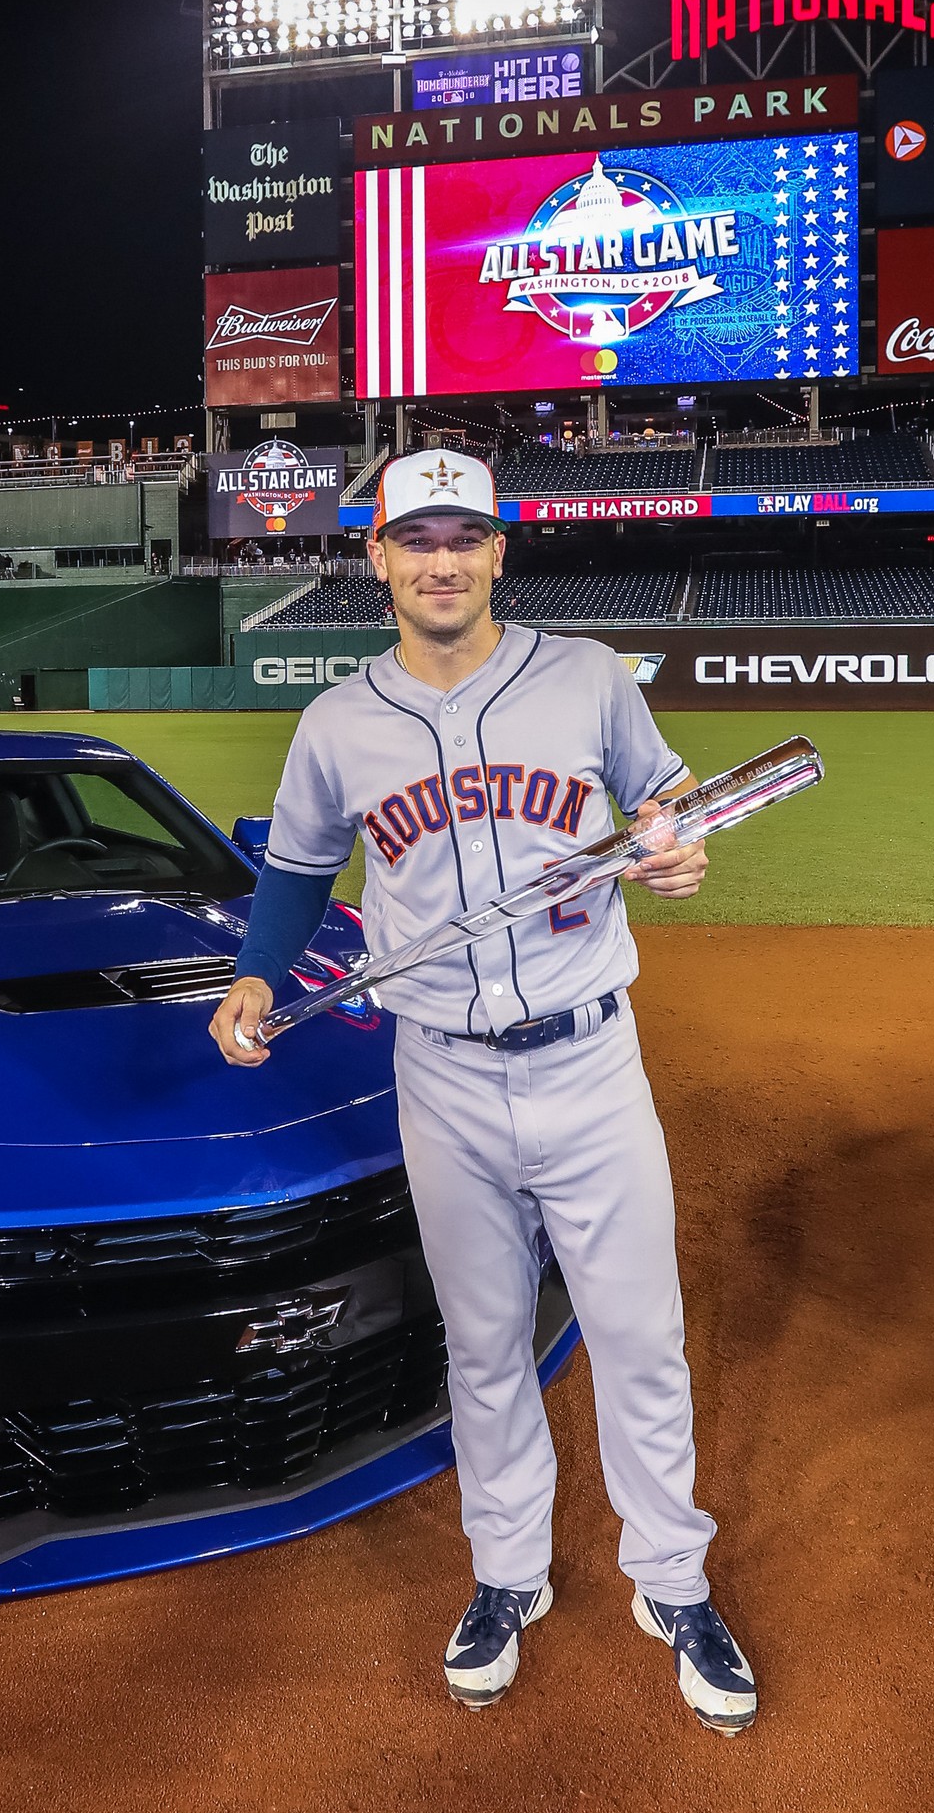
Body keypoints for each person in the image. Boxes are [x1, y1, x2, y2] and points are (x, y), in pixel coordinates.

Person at [207, 449, 756, 1736]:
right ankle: (507, 1576)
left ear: (500, 550)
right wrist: (253, 978)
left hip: (589, 1055)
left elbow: (665, 796)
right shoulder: (337, 722)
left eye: (465, 536)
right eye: (417, 538)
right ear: (380, 559)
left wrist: (676, 839)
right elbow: (296, 872)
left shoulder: (586, 678)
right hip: (439, 1071)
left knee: (637, 1336)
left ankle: (671, 1583)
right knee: (484, 1343)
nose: (442, 559)